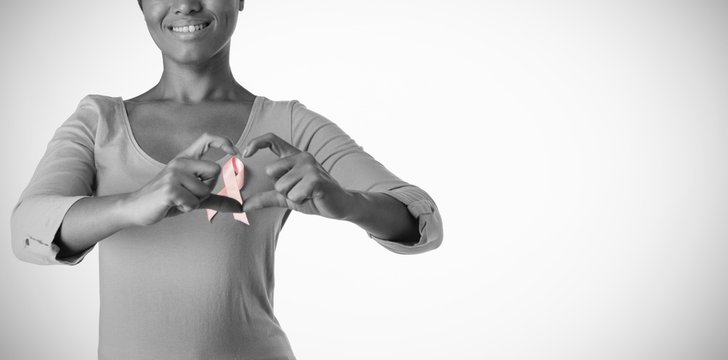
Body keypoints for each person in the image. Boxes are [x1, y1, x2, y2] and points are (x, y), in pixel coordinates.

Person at [10, 0, 443, 358]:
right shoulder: (98, 122)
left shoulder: (289, 125)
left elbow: (424, 223)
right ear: (140, 4)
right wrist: (134, 203)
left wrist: (349, 204)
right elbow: (25, 229)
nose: (186, 4)